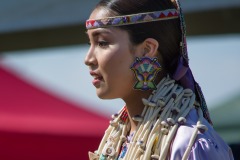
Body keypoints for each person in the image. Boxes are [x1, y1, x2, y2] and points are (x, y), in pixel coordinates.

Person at [84, 0, 234, 159]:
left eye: (102, 43)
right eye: (90, 43)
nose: (88, 59)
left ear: (147, 49)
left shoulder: (188, 144)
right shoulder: (116, 141)